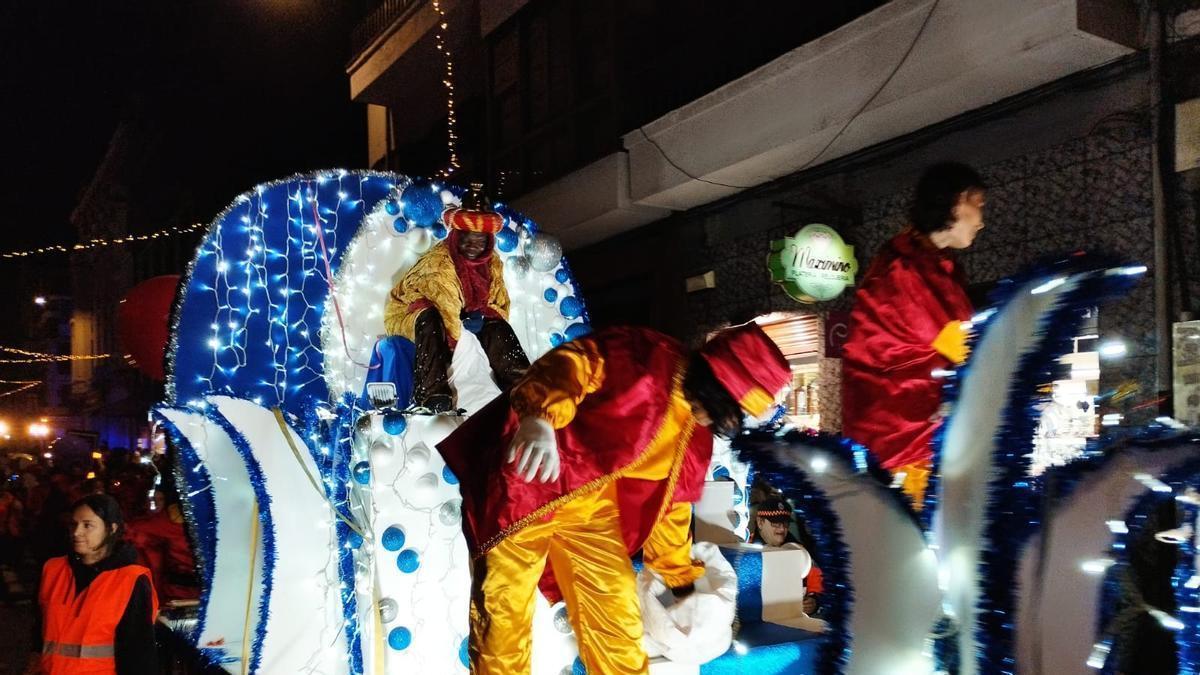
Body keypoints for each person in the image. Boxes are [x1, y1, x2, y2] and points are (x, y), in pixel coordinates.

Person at [438, 322, 792, 674]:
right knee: (504, 613)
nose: (718, 419)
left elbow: (673, 506)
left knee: (616, 615)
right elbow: (577, 363)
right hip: (525, 490)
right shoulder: (647, 357)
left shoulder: (695, 435)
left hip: (590, 510)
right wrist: (540, 416)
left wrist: (680, 583)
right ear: (715, 382)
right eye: (725, 405)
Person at [841, 162, 986, 508]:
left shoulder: (920, 262)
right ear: (956, 202)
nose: (981, 220)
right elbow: (968, 349)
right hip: (905, 445)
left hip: (905, 441)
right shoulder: (909, 270)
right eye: (978, 204)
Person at [383, 184, 529, 412]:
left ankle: (524, 387)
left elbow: (499, 304)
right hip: (412, 312)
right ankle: (432, 394)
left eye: (480, 240)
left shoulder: (493, 263)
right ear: (456, 237)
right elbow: (446, 308)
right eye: (467, 240)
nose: (473, 247)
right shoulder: (439, 262)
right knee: (429, 317)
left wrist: (484, 319)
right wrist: (464, 331)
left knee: (498, 327)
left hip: (462, 316)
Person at [28, 494, 158, 675]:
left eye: (87, 525)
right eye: (73, 524)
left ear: (111, 529)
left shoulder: (131, 579)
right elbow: (40, 629)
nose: (76, 532)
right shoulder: (53, 569)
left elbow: (139, 653)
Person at [748, 495, 824, 617]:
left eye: (785, 523)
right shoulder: (747, 549)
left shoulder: (800, 552)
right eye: (775, 523)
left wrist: (814, 600)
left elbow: (817, 577)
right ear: (760, 522)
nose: (782, 528)